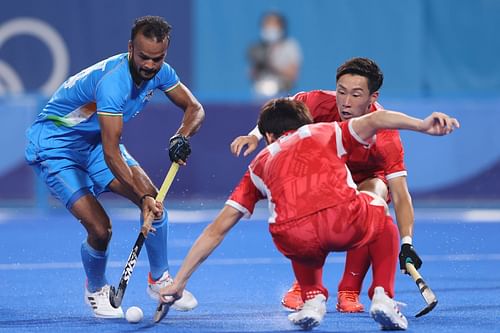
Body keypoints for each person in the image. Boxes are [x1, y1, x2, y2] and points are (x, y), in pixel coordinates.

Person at [159, 98, 459, 331]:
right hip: (342, 222)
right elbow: (379, 118)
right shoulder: (326, 129)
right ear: (304, 122)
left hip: (294, 238)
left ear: (268, 136)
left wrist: (179, 282)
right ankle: (383, 295)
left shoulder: (256, 166)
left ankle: (313, 297)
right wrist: (422, 125)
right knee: (381, 216)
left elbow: (217, 229)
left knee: (294, 226)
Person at [24, 16, 205, 319]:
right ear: (131, 47)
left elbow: (194, 108)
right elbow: (111, 154)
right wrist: (141, 197)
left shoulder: (162, 73)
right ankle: (95, 289)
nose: (149, 65)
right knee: (100, 228)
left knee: (154, 201)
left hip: (92, 140)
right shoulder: (112, 84)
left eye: (157, 59)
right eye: (143, 57)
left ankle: (159, 280)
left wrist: (181, 136)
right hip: (56, 147)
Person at [230, 57, 421, 313]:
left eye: (356, 94)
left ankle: (349, 292)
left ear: (373, 97)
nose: (345, 101)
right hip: (326, 172)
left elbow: (401, 194)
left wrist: (407, 242)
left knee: (377, 193)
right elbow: (279, 114)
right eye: (341, 92)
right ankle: (304, 286)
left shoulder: (386, 136)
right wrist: (254, 136)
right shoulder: (317, 102)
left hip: (365, 177)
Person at [248, 12, 302, 98]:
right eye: (267, 25)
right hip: (260, 93)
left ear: (281, 27)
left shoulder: (289, 46)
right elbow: (252, 74)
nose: (270, 28)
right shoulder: (258, 47)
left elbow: (293, 74)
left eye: (273, 25)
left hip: (283, 92)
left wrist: (272, 64)